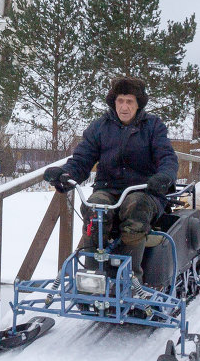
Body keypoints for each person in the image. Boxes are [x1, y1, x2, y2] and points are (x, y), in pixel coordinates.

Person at [43, 75, 178, 291]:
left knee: (135, 206)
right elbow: (82, 158)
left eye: (129, 101)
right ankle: (92, 278)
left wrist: (164, 177)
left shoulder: (153, 127)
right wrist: (66, 174)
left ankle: (131, 281)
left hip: (144, 190)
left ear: (138, 104)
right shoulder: (100, 127)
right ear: (113, 102)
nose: (124, 107)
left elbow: (167, 157)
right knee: (94, 208)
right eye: (120, 101)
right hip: (108, 189)